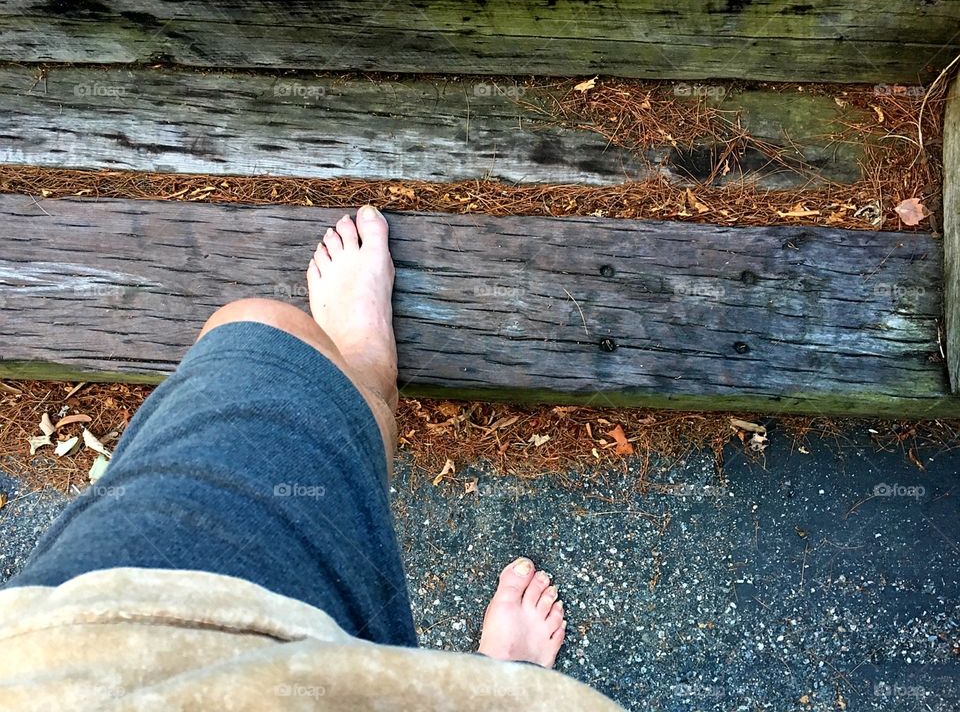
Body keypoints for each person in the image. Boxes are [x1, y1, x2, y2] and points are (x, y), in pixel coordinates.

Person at [0, 206, 620, 710]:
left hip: (69, 662)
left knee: (259, 341)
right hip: (101, 654)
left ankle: (491, 686)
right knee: (264, 333)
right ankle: (368, 363)